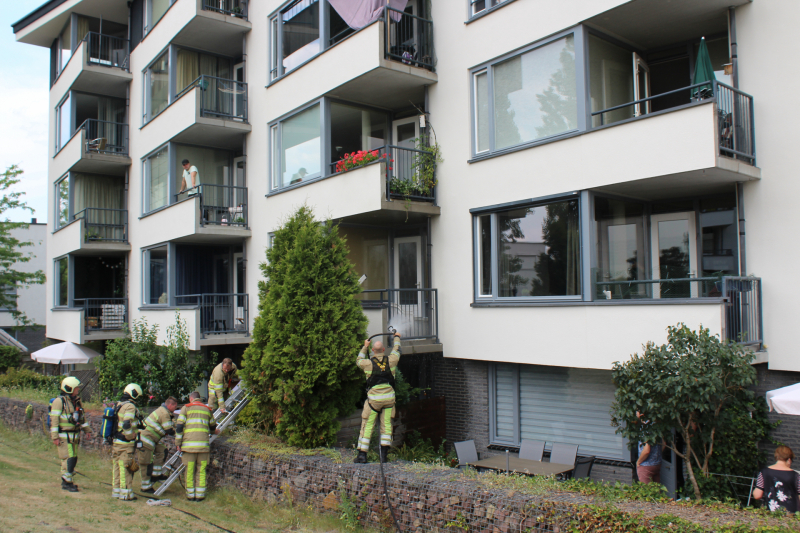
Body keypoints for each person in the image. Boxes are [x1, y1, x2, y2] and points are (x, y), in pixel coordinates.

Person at [354, 331, 401, 464]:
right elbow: (397, 350)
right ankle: (383, 456)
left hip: (373, 402)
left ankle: (362, 456)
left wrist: (365, 346)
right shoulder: (392, 360)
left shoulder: (367, 364)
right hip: (389, 401)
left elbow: (358, 360)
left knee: (367, 425)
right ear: (384, 350)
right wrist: (397, 337)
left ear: (373, 350)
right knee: (386, 427)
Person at [176, 391, 220, 501]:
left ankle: (190, 495)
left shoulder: (186, 408)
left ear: (191, 399)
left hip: (189, 447)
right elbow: (213, 426)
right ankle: (200, 495)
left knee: (190, 470)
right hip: (203, 448)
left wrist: (178, 443)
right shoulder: (207, 409)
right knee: (201, 470)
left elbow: (179, 427)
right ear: (199, 399)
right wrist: (214, 431)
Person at [50, 377, 91, 492]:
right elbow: (55, 420)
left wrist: (87, 430)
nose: (78, 389)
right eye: (76, 388)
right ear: (70, 388)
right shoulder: (59, 402)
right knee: (67, 459)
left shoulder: (76, 401)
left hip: (75, 435)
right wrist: (55, 437)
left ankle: (69, 480)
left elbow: (82, 417)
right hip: (64, 436)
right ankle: (66, 483)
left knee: (73, 458)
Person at [138, 396, 178, 493]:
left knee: (162, 451)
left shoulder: (164, 412)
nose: (175, 409)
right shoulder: (164, 413)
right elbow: (169, 429)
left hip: (152, 439)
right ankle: (146, 487)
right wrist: (181, 435)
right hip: (146, 439)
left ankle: (156, 474)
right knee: (146, 463)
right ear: (170, 405)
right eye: (175, 407)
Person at [111, 383, 144, 501]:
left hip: (117, 441)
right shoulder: (130, 406)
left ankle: (116, 491)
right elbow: (126, 424)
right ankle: (126, 494)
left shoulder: (119, 404)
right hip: (126, 443)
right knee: (126, 467)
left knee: (117, 466)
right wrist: (131, 435)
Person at [753, 445, 800, 513]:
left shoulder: (764, 472)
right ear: (789, 460)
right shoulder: (796, 475)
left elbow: (757, 495)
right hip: (791, 515)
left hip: (771, 513)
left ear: (776, 457)